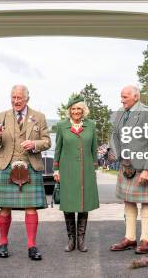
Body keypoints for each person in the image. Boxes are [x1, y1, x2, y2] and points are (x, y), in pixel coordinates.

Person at [0, 84, 51, 261]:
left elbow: (47, 142)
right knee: (4, 207)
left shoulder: (39, 117)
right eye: (13, 97)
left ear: (27, 99)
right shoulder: (3, 116)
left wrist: (34, 144)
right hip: (7, 165)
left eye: (19, 98)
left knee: (31, 208)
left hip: (30, 165)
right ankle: (2, 243)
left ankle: (32, 246)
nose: (16, 101)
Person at [109, 85, 148, 255]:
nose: (121, 100)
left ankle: (146, 240)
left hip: (142, 166)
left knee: (146, 202)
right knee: (128, 201)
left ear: (136, 96)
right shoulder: (120, 112)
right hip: (126, 165)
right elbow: (114, 135)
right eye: (121, 96)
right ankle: (130, 238)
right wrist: (118, 155)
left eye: (125, 97)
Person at [54, 95, 99, 252]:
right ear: (69, 111)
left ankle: (81, 240)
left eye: (79, 108)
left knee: (83, 204)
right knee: (68, 204)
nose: (76, 111)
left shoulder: (91, 125)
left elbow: (94, 149)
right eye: (73, 109)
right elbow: (58, 148)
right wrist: (56, 169)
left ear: (83, 110)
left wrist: (94, 168)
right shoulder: (61, 126)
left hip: (85, 170)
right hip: (67, 170)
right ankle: (71, 239)